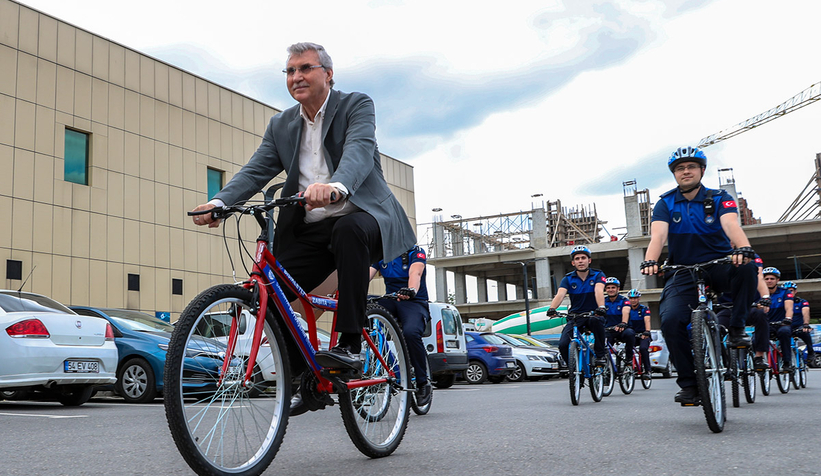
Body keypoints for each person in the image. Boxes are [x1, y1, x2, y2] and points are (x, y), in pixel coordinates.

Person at [190, 42, 416, 373]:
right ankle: (301, 375)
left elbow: (358, 151)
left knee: (348, 229)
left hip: (364, 218)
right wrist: (219, 202)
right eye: (291, 70)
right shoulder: (280, 125)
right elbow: (255, 170)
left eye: (306, 68)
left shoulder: (356, 105)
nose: (297, 76)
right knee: (272, 289)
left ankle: (350, 344)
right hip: (311, 228)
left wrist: (336, 187)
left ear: (328, 74)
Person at [640, 146, 758, 406]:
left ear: (701, 170)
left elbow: (731, 225)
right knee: (670, 321)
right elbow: (658, 236)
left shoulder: (719, 198)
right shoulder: (665, 202)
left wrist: (742, 249)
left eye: (691, 167)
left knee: (748, 267)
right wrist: (651, 260)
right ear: (674, 174)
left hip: (718, 265)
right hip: (682, 270)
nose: (686, 171)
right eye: (680, 168)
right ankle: (689, 384)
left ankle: (737, 328)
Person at [370, 245, 432, 406]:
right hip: (390, 299)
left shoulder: (414, 252)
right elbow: (366, 274)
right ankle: (384, 364)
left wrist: (411, 289)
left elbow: (415, 272)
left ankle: (422, 382)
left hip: (413, 301)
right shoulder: (381, 254)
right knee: (366, 315)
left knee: (410, 333)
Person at [547, 246, 608, 367]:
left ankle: (600, 355)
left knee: (596, 323)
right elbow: (560, 294)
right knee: (563, 344)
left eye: (583, 258)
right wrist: (552, 308)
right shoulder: (568, 278)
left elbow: (598, 291)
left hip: (593, 313)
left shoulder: (598, 274)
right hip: (576, 316)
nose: (580, 261)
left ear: (589, 260)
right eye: (577, 258)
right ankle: (573, 368)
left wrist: (601, 307)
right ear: (573, 262)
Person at [716, 253, 771, 371]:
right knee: (716, 327)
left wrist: (765, 297)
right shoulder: (716, 252)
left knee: (761, 316)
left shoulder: (750, 256)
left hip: (749, 305)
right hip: (727, 307)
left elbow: (759, 277)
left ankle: (759, 356)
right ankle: (722, 361)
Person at [762, 268, 795, 371]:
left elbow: (789, 308)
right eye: (766, 279)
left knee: (784, 333)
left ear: (777, 280)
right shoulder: (759, 293)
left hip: (782, 323)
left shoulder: (785, 292)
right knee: (755, 339)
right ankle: (760, 360)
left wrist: (788, 318)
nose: (769, 281)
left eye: (772, 278)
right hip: (766, 324)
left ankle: (787, 362)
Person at [602, 277, 635, 367]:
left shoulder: (624, 301)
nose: (610, 290)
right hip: (609, 330)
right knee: (601, 344)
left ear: (618, 289)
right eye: (608, 288)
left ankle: (629, 358)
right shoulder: (603, 301)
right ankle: (606, 368)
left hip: (622, 329)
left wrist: (623, 323)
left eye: (613, 287)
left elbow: (626, 311)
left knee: (630, 334)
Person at [783, 281, 815, 363]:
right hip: (785, 327)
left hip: (798, 327)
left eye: (791, 290)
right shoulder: (781, 303)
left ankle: (811, 352)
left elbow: (806, 312)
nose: (789, 292)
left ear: (795, 291)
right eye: (786, 290)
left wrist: (806, 324)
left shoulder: (802, 302)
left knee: (805, 333)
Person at [626, 289, 652, 375]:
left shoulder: (644, 309)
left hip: (643, 334)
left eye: (635, 298)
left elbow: (647, 320)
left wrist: (647, 331)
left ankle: (648, 371)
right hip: (631, 334)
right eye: (631, 298)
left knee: (643, 349)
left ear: (639, 299)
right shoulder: (626, 309)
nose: (633, 300)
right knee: (626, 348)